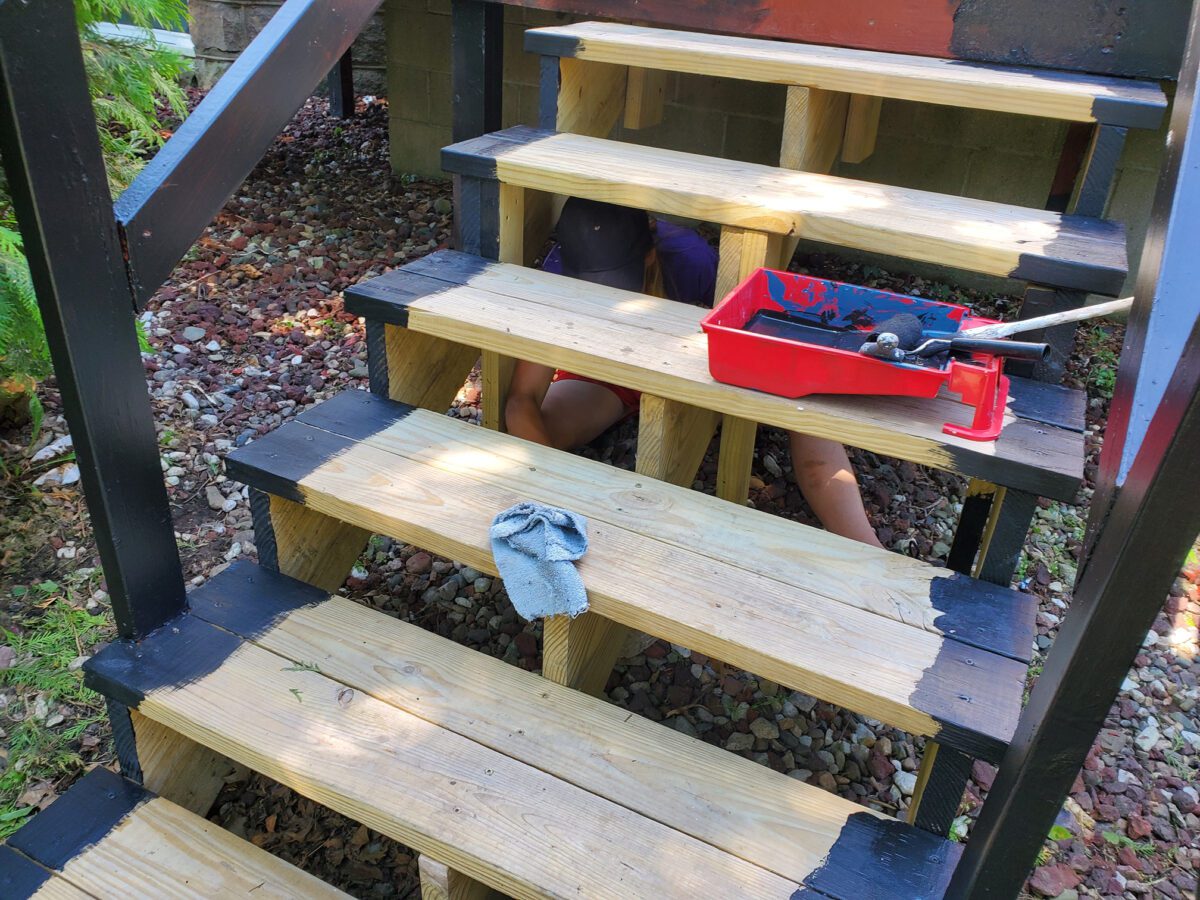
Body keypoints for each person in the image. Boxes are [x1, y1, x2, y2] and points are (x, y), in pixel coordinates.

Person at [504, 197, 883, 549]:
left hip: (696, 364)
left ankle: (868, 548)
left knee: (803, 407)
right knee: (542, 431)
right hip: (606, 375)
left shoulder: (690, 259)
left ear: (650, 257)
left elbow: (743, 343)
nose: (606, 298)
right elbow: (523, 399)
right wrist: (555, 496)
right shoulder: (556, 271)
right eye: (588, 288)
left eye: (617, 284)